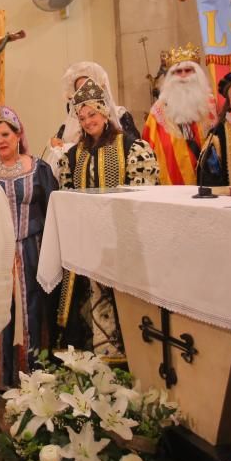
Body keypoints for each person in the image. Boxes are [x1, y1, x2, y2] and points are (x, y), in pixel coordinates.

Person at [59, 78, 159, 361]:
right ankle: (89, 362)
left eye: (93, 114)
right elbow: (68, 198)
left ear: (104, 112)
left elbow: (145, 196)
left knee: (121, 303)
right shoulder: (72, 155)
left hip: (122, 242)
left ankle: (127, 361)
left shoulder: (132, 147)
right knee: (86, 302)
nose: (88, 121)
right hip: (87, 245)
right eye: (82, 117)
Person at [0, 104, 59, 388]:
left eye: (5, 134)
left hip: (32, 250)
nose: (1, 140)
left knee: (33, 308)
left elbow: (53, 210)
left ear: (17, 134)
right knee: (1, 309)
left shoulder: (39, 168)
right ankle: (1, 375)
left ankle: (35, 372)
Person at [142, 43, 217, 185]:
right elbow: (147, 152)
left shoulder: (212, 106)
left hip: (208, 184)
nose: (183, 76)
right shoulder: (157, 112)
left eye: (188, 70)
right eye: (178, 72)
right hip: (170, 186)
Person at [46, 61, 141, 168]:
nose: (87, 122)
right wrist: (56, 144)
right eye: (79, 90)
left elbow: (132, 146)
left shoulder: (121, 115)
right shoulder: (68, 124)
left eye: (88, 86)